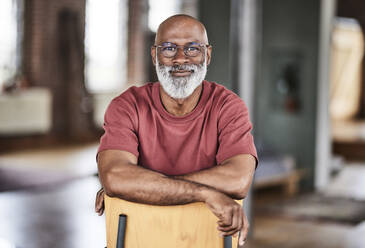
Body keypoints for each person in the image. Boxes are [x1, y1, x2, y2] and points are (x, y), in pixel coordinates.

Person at [95, 14, 258, 247]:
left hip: (204, 239)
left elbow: (238, 179)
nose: (180, 59)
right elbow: (114, 177)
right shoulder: (127, 105)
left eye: (193, 49)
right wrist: (206, 194)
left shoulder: (228, 106)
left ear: (208, 55)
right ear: (154, 55)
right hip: (141, 239)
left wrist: (137, 187)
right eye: (169, 48)